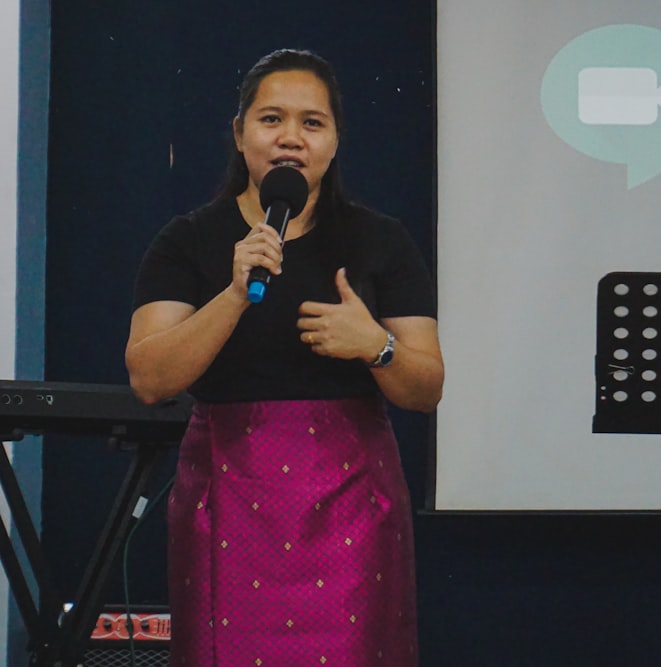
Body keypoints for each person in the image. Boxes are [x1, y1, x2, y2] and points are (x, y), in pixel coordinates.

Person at [125, 48, 443, 667]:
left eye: (312, 122)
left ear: (335, 139)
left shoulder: (380, 241)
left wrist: (374, 344)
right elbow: (148, 378)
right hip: (229, 499)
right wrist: (235, 294)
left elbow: (425, 388)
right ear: (240, 133)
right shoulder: (189, 240)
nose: (291, 138)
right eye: (271, 119)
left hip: (351, 506)